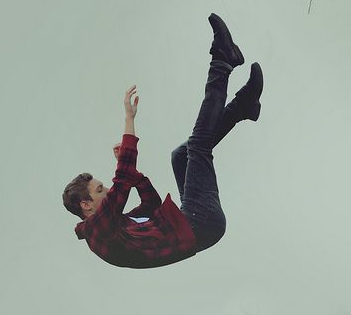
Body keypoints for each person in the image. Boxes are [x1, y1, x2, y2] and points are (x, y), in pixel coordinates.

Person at [62, 13, 263, 268]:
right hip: (198, 223)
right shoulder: (98, 232)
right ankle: (223, 60)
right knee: (199, 145)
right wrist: (129, 120)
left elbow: (151, 204)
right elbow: (121, 180)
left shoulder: (117, 227)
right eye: (101, 191)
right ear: (86, 205)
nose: (109, 191)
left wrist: (135, 176)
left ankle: (242, 108)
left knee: (180, 155)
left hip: (191, 221)